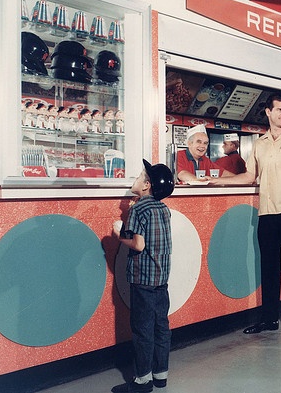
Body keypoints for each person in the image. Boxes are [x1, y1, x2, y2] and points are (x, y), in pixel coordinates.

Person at [210, 92, 281, 345]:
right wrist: (219, 181)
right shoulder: (260, 143)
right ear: (267, 111)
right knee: (268, 267)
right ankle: (270, 319)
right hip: (266, 213)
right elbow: (249, 176)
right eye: (278, 110)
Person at [111, 160, 175, 393]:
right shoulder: (163, 209)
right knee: (161, 326)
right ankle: (160, 375)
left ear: (147, 185)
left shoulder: (138, 208)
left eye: (139, 177)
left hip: (143, 279)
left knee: (142, 329)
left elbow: (138, 244)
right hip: (161, 279)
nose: (135, 180)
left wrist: (119, 235)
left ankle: (142, 381)